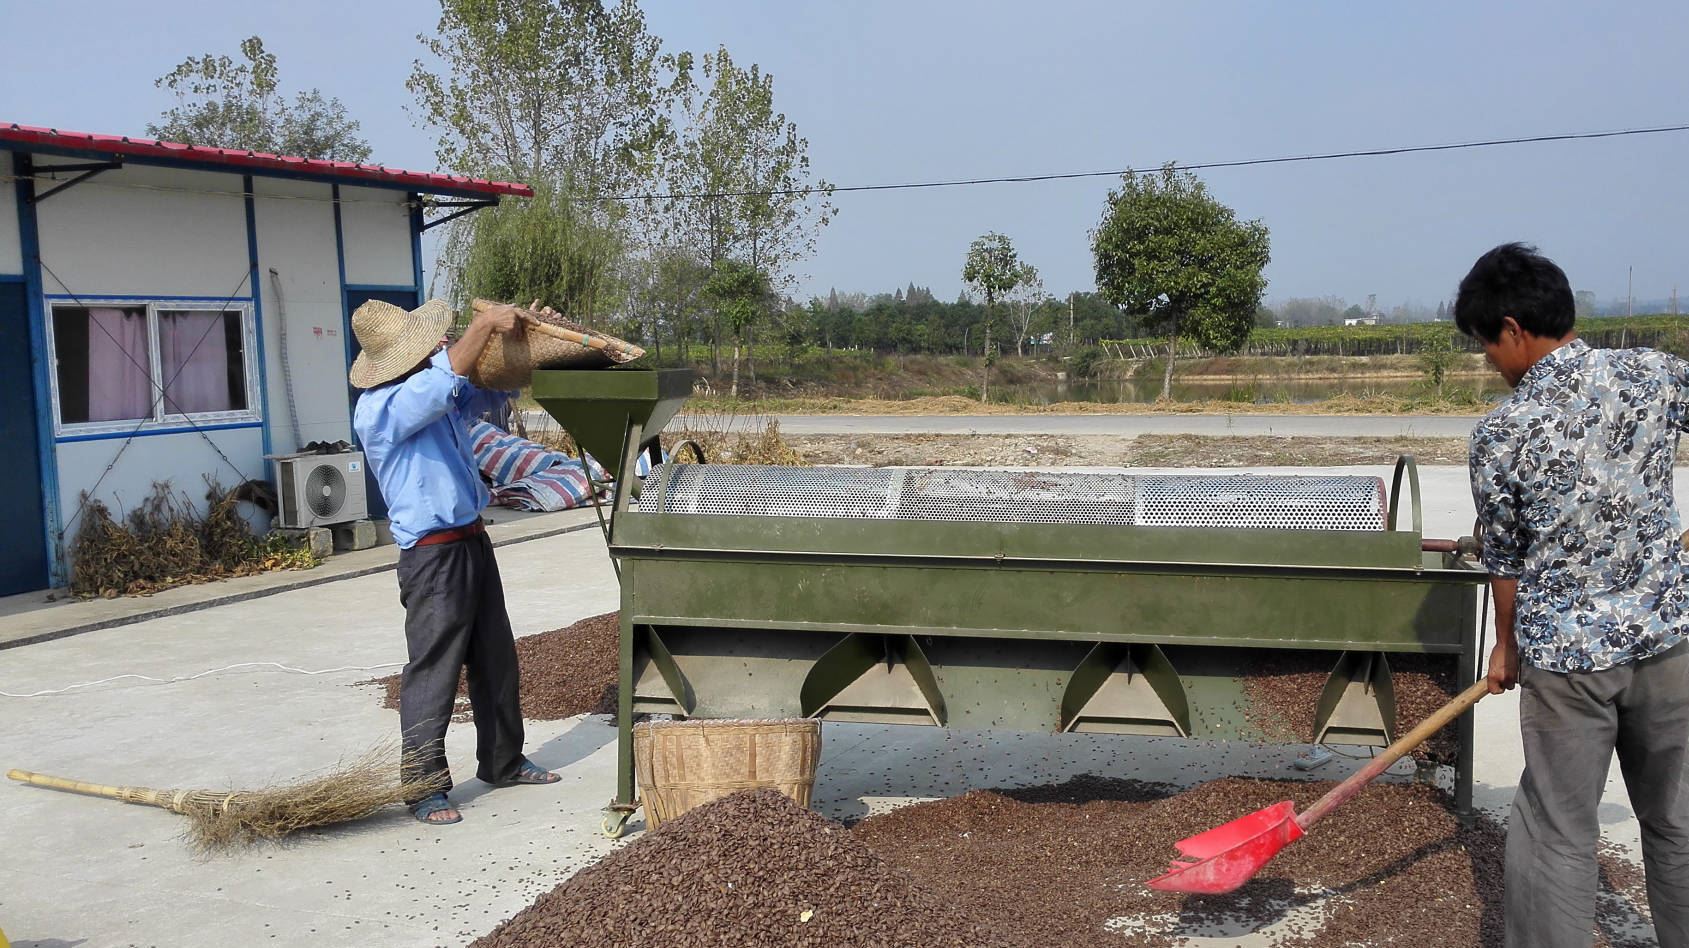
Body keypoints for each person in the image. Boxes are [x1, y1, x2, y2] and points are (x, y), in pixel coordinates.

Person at [1458, 243, 1689, 947]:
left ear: (1513, 329)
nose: (1490, 363)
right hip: (1666, 642)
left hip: (1567, 663)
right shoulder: (1654, 376)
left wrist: (1506, 649)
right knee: (1676, 820)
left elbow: (1505, 561)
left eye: (1485, 346)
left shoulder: (1501, 433)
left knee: (1558, 831)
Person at [348, 298, 560, 825]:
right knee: (434, 669)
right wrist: (486, 323)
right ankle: (423, 788)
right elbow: (443, 383)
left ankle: (503, 761)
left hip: (471, 541)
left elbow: (488, 385)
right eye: (425, 348)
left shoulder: (432, 393)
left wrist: (524, 340)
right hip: (432, 555)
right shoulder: (382, 408)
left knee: (495, 658)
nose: (436, 350)